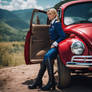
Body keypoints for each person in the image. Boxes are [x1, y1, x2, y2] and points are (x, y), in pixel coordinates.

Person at [28, 8, 66, 91]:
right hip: (52, 45)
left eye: (50, 14)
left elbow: (63, 36)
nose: (48, 15)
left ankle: (46, 81)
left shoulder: (57, 23)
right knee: (45, 58)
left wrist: (55, 43)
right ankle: (41, 81)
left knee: (47, 56)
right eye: (48, 14)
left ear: (54, 14)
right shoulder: (52, 23)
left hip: (57, 46)